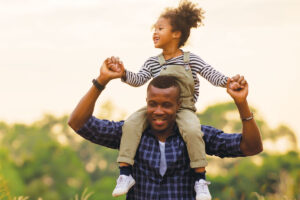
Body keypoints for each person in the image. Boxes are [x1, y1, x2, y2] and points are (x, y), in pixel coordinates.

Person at [68, 59, 263, 200]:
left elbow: (251, 147)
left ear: (178, 105)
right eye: (153, 104)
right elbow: (78, 123)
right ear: (146, 103)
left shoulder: (195, 135)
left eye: (166, 105)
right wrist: (101, 81)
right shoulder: (130, 132)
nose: (158, 111)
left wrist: (241, 103)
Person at [106, 1, 243, 199]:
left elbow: (213, 75)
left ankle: (200, 179)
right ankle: (126, 174)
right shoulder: (153, 62)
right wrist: (123, 73)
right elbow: (138, 80)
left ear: (176, 33)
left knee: (193, 131)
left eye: (160, 28)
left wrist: (229, 82)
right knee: (131, 123)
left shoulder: (190, 60)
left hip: (184, 108)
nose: (155, 32)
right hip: (156, 109)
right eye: (154, 29)